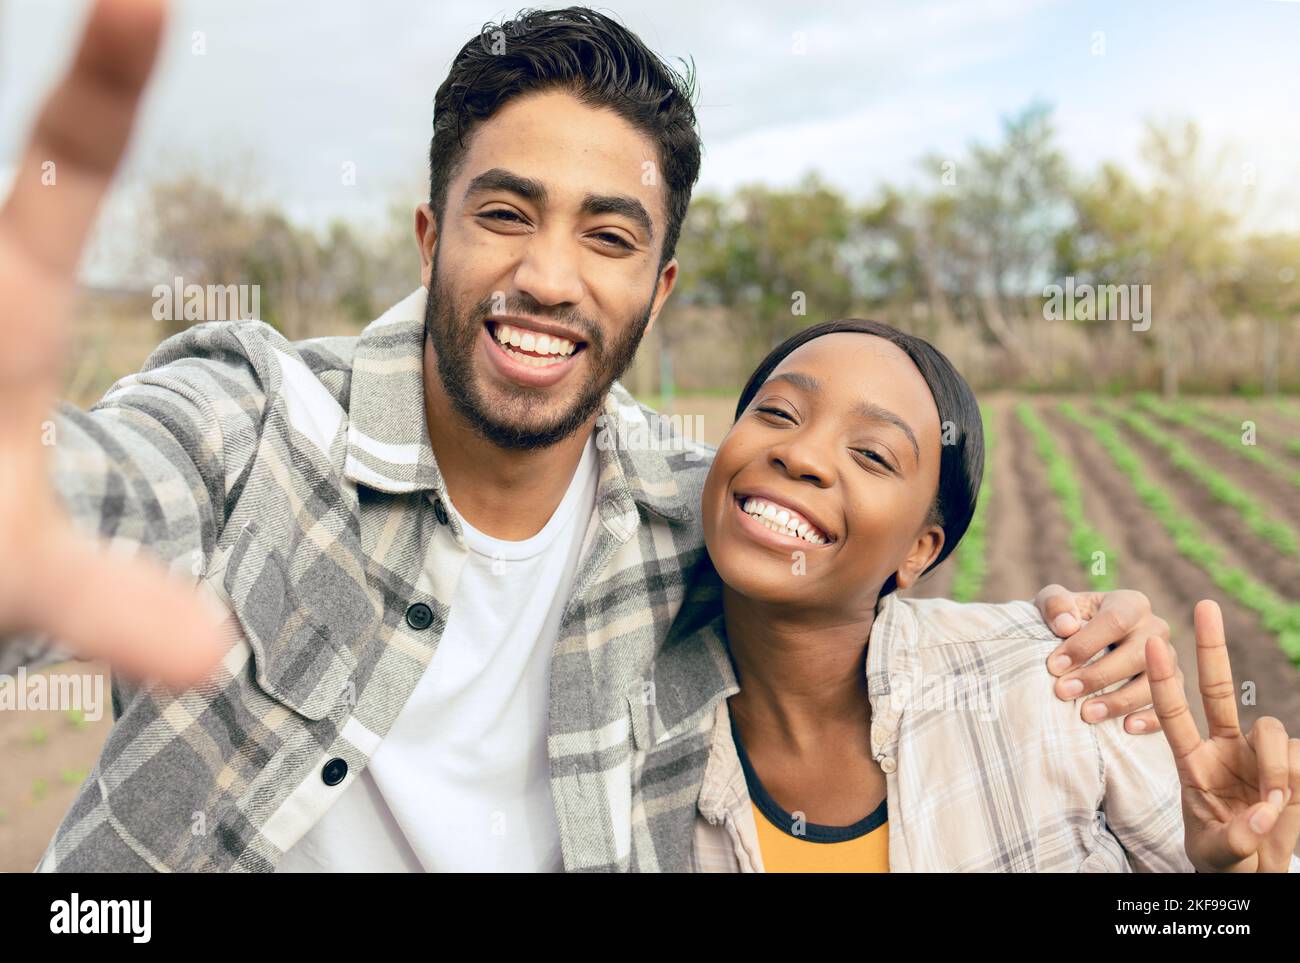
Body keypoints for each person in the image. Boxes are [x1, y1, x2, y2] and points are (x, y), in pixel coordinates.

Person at [1, 1, 1177, 872]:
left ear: (658, 291)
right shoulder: (257, 423)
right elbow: (94, 491)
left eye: (607, 238)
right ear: (430, 236)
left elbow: (858, 626)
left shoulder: (691, 522)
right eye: (505, 214)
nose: (546, 277)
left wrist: (1079, 649)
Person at [626, 319, 1300, 872]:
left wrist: (1238, 884)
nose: (802, 455)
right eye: (776, 412)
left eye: (873, 454)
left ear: (918, 550)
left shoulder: (1057, 682)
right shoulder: (630, 735)